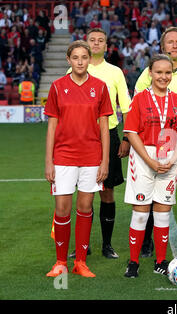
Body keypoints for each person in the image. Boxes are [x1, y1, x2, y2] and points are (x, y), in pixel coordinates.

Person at [44, 40, 113, 278]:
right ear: (68, 60)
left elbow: (104, 127)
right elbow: (52, 125)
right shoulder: (56, 86)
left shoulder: (101, 87)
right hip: (63, 156)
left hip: (92, 156)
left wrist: (105, 161)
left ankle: (81, 262)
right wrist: (48, 161)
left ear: (89, 59)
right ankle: (61, 262)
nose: (80, 61)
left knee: (85, 207)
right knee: (62, 208)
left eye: (84, 57)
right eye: (76, 57)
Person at [134, 27, 177, 258]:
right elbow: (138, 106)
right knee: (152, 192)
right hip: (154, 143)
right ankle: (146, 242)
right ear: (163, 47)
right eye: (170, 42)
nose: (174, 45)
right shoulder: (148, 73)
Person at [67, 28, 132, 259]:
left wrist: (125, 138)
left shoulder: (114, 72)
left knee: (107, 192)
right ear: (85, 45)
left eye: (100, 41)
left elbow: (127, 107)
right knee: (85, 194)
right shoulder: (73, 69)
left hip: (109, 135)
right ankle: (83, 245)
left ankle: (107, 245)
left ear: (106, 46)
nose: (95, 44)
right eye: (91, 40)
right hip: (81, 138)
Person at [123, 54, 177, 278]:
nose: (163, 76)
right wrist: (150, 161)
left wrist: (172, 158)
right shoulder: (139, 99)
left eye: (167, 72)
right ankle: (134, 261)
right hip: (143, 157)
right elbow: (131, 132)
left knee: (162, 213)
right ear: (150, 73)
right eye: (158, 72)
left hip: (169, 157)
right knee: (140, 213)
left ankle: (160, 260)